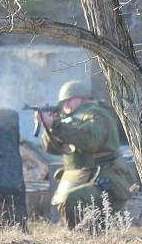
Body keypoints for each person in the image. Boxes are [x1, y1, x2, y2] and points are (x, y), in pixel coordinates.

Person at [36, 80, 136, 229]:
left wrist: (56, 125)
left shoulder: (97, 114)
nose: (65, 107)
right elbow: (53, 149)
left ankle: (82, 238)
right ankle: (82, 235)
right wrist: (49, 127)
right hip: (82, 177)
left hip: (105, 178)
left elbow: (90, 140)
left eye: (66, 102)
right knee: (66, 200)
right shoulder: (70, 119)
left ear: (77, 98)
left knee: (71, 200)